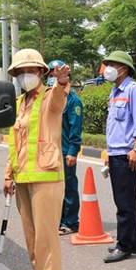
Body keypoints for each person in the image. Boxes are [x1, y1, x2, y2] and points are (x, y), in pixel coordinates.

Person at [3, 48, 70, 270]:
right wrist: (9, 174)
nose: (25, 76)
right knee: (32, 240)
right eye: (20, 72)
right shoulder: (19, 104)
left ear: (41, 72)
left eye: (30, 71)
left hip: (46, 178)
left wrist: (62, 82)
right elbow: (14, 142)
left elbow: (59, 100)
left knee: (46, 240)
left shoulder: (49, 97)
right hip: (23, 180)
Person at [102, 51, 136, 264]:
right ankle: (133, 242)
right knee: (127, 200)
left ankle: (124, 246)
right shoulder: (115, 91)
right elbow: (114, 126)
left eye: (112, 64)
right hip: (116, 153)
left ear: (124, 68)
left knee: (124, 203)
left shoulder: (133, 90)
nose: (108, 68)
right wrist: (108, 152)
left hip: (126, 154)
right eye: (108, 64)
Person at [47, 60, 83, 236]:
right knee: (54, 188)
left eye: (55, 73)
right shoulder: (49, 98)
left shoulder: (73, 101)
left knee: (68, 186)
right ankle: (58, 219)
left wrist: (72, 151)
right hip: (51, 151)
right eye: (51, 74)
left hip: (65, 150)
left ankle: (71, 222)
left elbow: (75, 128)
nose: (52, 77)